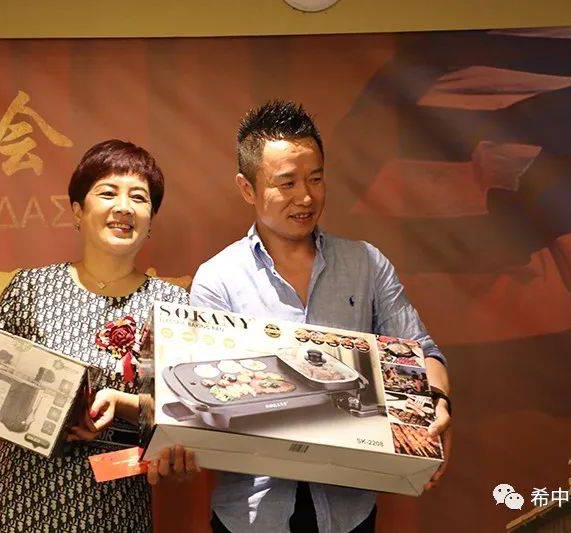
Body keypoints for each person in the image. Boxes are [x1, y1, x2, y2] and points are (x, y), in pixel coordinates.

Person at [190, 101, 452, 533]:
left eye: (315, 178)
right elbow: (203, 396)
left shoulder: (366, 264)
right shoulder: (218, 279)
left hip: (349, 509)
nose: (306, 197)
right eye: (286, 183)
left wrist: (439, 402)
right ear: (247, 188)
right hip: (253, 512)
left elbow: (420, 351)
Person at [0, 139, 197, 533]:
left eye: (139, 197)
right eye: (108, 192)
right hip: (17, 501)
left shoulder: (172, 305)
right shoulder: (30, 288)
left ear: (151, 220)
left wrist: (126, 406)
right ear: (77, 211)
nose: (124, 207)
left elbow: (187, 412)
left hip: (115, 508)